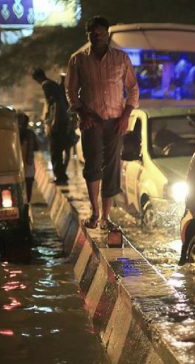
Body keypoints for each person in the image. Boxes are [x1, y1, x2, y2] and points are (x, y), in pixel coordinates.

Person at [66, 16, 139, 230]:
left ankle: (106, 217)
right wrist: (82, 113)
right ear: (88, 36)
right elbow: (70, 91)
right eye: (92, 34)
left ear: (107, 34)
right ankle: (94, 212)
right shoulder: (78, 59)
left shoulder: (121, 59)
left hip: (116, 120)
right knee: (93, 164)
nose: (96, 37)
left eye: (100, 33)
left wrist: (126, 116)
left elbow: (133, 89)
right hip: (91, 120)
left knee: (112, 167)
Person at [32, 68, 73, 185]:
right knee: (62, 149)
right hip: (63, 121)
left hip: (58, 123)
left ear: (37, 78)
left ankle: (60, 176)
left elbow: (54, 104)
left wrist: (54, 121)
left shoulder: (47, 86)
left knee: (55, 150)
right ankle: (62, 175)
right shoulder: (54, 84)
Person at [17, 112, 38, 201]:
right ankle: (26, 206)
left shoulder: (13, 133)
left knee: (19, 191)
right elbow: (37, 147)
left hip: (17, 168)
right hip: (28, 167)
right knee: (28, 190)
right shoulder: (30, 134)